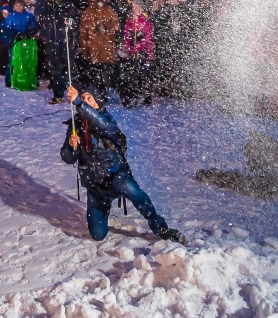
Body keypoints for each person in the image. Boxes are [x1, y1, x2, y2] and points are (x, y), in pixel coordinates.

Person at [60, 86, 185, 244]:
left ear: (97, 103)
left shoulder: (106, 119)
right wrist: (72, 146)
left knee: (133, 191)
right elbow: (67, 158)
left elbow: (103, 125)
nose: (84, 100)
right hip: (95, 187)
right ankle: (103, 209)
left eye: (88, 98)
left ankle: (161, 227)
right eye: (82, 97)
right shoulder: (75, 125)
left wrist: (79, 102)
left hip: (115, 177)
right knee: (97, 235)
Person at [78, 0, 120, 99]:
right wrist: (84, 47)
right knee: (96, 74)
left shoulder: (108, 9)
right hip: (93, 49)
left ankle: (119, 94)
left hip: (106, 48)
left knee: (108, 73)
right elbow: (83, 31)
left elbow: (116, 26)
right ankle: (101, 94)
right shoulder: (87, 11)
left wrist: (106, 29)